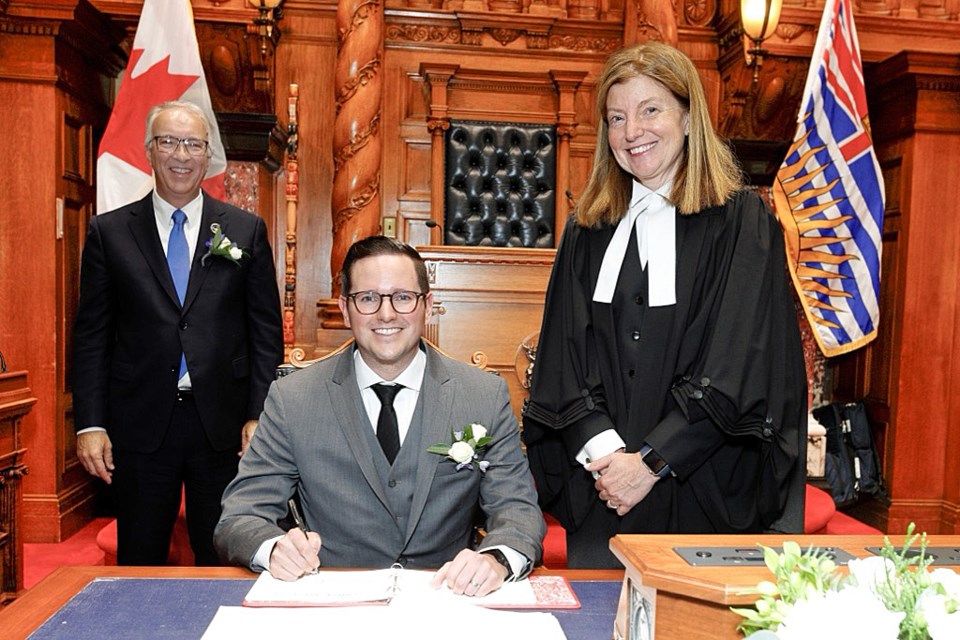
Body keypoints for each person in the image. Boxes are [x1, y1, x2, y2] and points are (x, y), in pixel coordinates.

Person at [522, 42, 807, 568]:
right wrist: (607, 456)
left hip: (704, 486)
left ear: (689, 117)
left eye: (650, 110)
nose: (633, 132)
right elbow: (563, 360)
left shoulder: (742, 222)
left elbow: (738, 366)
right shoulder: (587, 232)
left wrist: (651, 462)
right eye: (617, 117)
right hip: (604, 491)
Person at [214, 236, 545, 596]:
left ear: (428, 305)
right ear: (345, 309)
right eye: (368, 298)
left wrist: (495, 559)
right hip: (331, 600)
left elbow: (517, 510)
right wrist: (275, 548)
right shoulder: (292, 399)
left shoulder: (483, 394)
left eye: (402, 297)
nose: (386, 314)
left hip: (448, 599)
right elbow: (240, 516)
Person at [73, 100, 284, 566]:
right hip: (139, 420)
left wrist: (259, 416)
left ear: (208, 155)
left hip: (223, 425)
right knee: (140, 555)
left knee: (224, 552)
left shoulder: (244, 231)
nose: (181, 155)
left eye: (192, 143)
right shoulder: (109, 232)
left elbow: (265, 332)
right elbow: (92, 335)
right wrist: (90, 423)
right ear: (149, 150)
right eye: (168, 141)